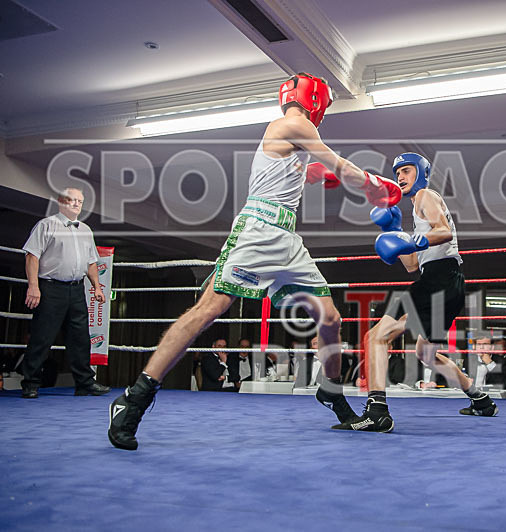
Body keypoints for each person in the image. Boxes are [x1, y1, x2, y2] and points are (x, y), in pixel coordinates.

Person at [108, 72, 402, 450]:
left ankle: (330, 390)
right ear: (314, 101)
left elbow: (313, 169)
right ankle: (133, 399)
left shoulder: (292, 135)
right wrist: (373, 187)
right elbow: (340, 164)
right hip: (258, 230)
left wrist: (323, 176)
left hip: (287, 239)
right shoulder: (294, 124)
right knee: (208, 310)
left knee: (330, 318)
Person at [334, 152, 498, 432]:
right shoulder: (415, 209)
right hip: (446, 281)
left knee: (375, 336)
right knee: (426, 353)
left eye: (406, 171)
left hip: (440, 278)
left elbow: (443, 231)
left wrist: (412, 239)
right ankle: (481, 400)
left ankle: (377, 411)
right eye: (397, 172)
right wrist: (394, 230)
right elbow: (412, 265)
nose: (400, 177)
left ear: (421, 173)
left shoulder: (425, 196)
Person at [21, 187, 110, 399]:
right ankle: (31, 383)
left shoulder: (85, 230)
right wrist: (33, 285)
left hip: (77, 289)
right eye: (72, 200)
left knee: (80, 338)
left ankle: (85, 383)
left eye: (80, 201)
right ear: (61, 202)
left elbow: (91, 262)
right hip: (50, 288)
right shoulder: (47, 225)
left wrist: (96, 286)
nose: (77, 204)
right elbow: (32, 256)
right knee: (42, 336)